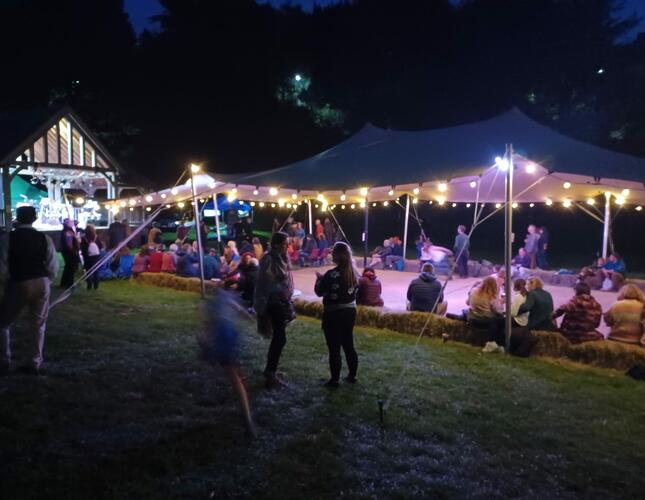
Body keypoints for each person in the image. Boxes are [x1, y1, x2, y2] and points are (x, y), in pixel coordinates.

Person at [0, 206, 59, 374]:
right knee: (38, 325)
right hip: (41, 281)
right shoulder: (44, 238)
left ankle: (4, 361)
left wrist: (5, 283)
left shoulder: (7, 239)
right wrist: (47, 280)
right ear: (34, 218)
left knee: (3, 323)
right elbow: (53, 265)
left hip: (18, 281)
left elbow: (2, 265)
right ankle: (35, 362)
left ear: (17, 218)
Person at [198, 289, 256, 437]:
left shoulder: (211, 302)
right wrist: (250, 317)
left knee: (231, 374)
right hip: (229, 335)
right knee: (233, 372)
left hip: (221, 336)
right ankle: (247, 419)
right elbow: (241, 311)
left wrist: (204, 339)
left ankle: (247, 421)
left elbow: (206, 323)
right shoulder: (225, 298)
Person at [314, 242, 359, 387]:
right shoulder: (354, 273)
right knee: (348, 344)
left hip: (333, 313)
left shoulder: (331, 274)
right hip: (350, 312)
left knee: (334, 347)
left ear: (337, 255)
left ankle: (335, 379)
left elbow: (319, 292)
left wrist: (319, 281)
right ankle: (352, 375)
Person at [254, 232, 295, 389]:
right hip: (273, 303)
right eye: (285, 243)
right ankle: (270, 373)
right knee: (280, 337)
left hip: (282, 301)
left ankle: (271, 370)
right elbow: (265, 284)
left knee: (280, 336)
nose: (288, 246)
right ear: (277, 245)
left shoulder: (282, 258)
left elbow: (285, 279)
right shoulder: (269, 259)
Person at [80, 224, 102, 290]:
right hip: (96, 256)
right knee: (96, 270)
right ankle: (96, 285)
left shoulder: (84, 238)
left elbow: (82, 248)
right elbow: (100, 246)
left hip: (87, 256)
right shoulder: (96, 237)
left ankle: (89, 285)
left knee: (88, 270)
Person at [59, 218, 80, 288]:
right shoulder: (68, 232)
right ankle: (69, 283)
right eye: (71, 222)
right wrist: (74, 251)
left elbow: (76, 223)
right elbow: (69, 244)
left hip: (67, 251)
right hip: (69, 252)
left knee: (68, 267)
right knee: (71, 267)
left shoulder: (67, 231)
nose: (73, 223)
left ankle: (64, 283)